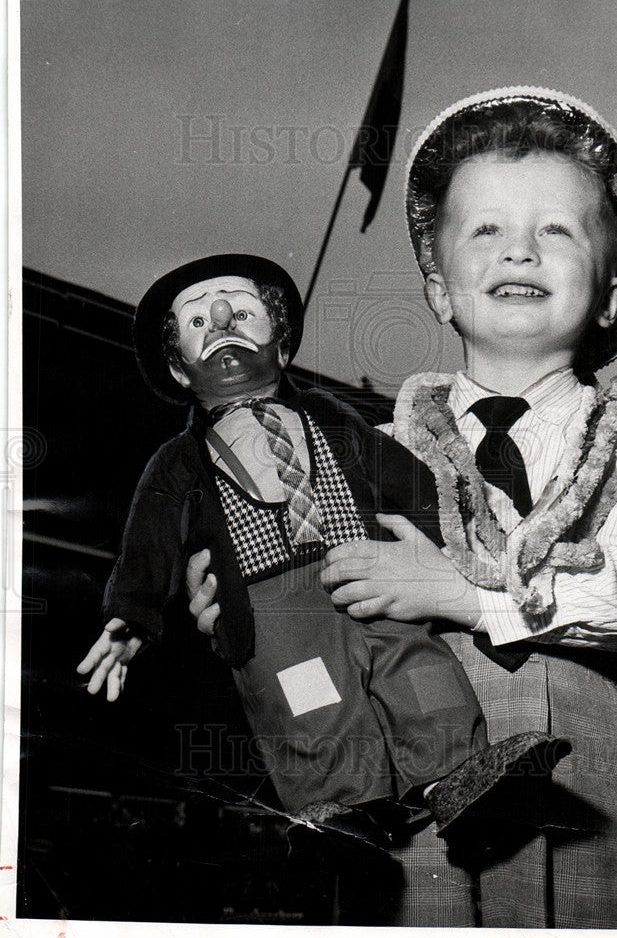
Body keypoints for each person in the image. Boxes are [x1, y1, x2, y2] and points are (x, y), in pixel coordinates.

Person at [188, 87, 617, 928]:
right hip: (398, 742)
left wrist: (457, 593)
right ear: (440, 288)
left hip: (572, 753)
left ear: (609, 295)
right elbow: (293, 581)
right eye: (485, 228)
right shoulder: (352, 450)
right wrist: (238, 596)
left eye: (557, 230)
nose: (518, 251)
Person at [76, 252, 567, 847]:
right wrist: (133, 613)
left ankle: (456, 774)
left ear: (282, 346)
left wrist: (453, 544)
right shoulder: (177, 462)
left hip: (366, 570)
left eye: (240, 310)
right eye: (198, 322)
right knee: (311, 702)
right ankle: (339, 809)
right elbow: (149, 540)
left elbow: (404, 478)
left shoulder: (334, 418)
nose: (223, 320)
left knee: (416, 667)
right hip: (271, 605)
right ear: (180, 371)